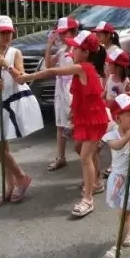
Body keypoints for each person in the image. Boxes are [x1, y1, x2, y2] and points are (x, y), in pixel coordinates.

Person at [16, 30, 107, 217]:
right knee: (81, 150)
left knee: (85, 157)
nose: (71, 51)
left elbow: (52, 71)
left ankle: (88, 199)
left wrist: (27, 77)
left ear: (86, 53)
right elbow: (82, 95)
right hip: (85, 117)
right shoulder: (82, 68)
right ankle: (97, 181)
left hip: (94, 120)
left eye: (76, 48)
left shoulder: (83, 68)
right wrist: (74, 111)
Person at [0, 15, 44, 207]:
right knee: (2, 149)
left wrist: (8, 66)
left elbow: (21, 78)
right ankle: (10, 185)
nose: (6, 36)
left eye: (9, 32)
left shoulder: (15, 53)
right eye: (2, 32)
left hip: (10, 104)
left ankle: (21, 178)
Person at [101, 93, 130, 258]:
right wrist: (127, 138)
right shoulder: (112, 135)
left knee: (124, 215)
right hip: (117, 179)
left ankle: (116, 248)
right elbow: (115, 146)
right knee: (129, 209)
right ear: (118, 118)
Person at [43, 16, 79, 172]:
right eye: (61, 33)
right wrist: (49, 46)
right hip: (61, 90)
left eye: (66, 33)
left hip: (73, 90)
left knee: (76, 124)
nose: (63, 36)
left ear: (74, 32)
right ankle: (61, 157)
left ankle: (87, 159)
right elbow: (48, 65)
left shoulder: (78, 50)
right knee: (60, 124)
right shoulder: (62, 50)